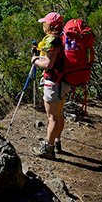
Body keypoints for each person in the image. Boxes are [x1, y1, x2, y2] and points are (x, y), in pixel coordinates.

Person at [31, 12, 70, 159]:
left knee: (52, 117)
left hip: (54, 82)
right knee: (59, 115)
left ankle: (49, 147)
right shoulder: (62, 37)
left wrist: (35, 60)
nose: (43, 25)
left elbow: (48, 64)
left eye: (45, 23)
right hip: (63, 82)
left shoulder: (53, 40)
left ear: (51, 26)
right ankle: (56, 142)